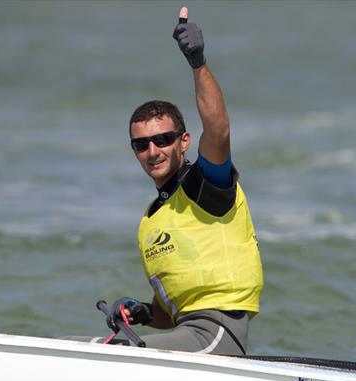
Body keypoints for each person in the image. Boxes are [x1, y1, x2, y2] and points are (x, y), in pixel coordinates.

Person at [76, 7, 263, 355]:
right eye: (141, 144)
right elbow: (171, 313)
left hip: (218, 335)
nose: (153, 151)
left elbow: (218, 129)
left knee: (91, 350)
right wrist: (144, 311)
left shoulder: (205, 184)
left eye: (163, 139)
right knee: (87, 345)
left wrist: (197, 62)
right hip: (187, 334)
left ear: (184, 141)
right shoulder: (152, 219)